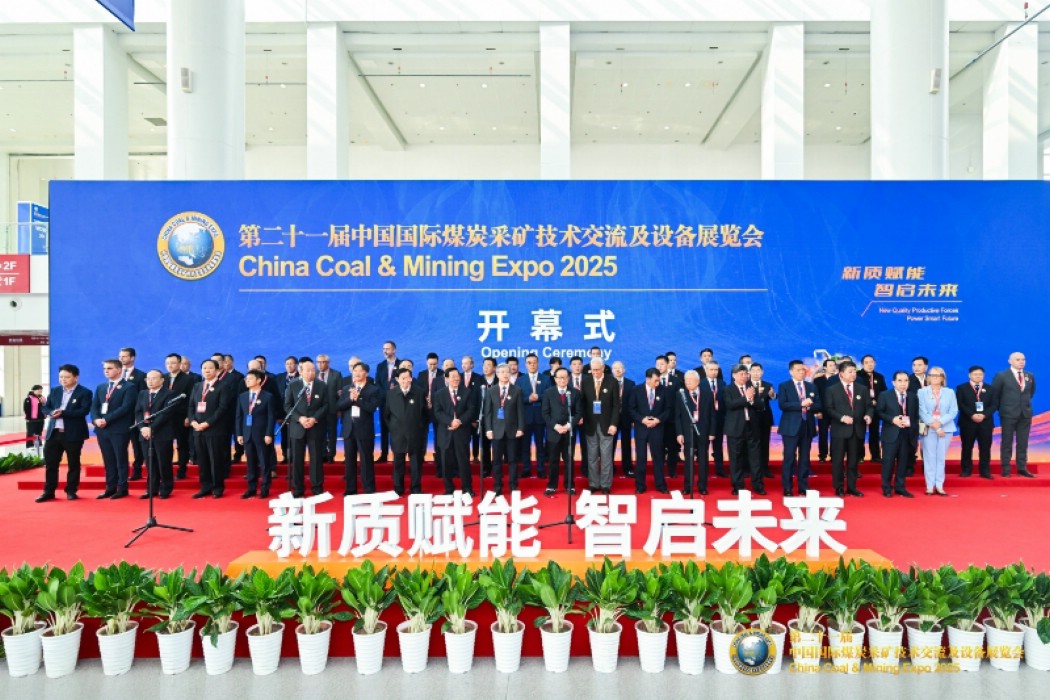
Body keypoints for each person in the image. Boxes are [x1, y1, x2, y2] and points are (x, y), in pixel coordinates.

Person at [36, 364, 93, 502]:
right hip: (54, 433)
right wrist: (51, 412)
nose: (63, 379)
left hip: (73, 434)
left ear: (76, 377)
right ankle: (49, 491)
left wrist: (63, 413)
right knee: (51, 464)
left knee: (73, 463)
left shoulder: (85, 392)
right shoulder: (55, 391)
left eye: (67, 377)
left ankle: (71, 490)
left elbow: (83, 411)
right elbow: (45, 407)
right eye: (61, 377)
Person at [91, 358, 139, 499]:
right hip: (102, 429)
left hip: (119, 429)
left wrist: (106, 419)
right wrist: (96, 419)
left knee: (120, 459)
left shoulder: (129, 387)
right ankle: (110, 487)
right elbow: (94, 406)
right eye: (105, 368)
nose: (106, 371)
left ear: (119, 370)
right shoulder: (101, 387)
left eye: (110, 368)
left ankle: (122, 488)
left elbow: (125, 408)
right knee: (108, 459)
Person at [824, 360, 872, 498]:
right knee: (838, 461)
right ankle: (839, 487)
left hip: (856, 430)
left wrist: (868, 415)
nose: (853, 374)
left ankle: (852, 487)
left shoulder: (862, 389)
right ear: (841, 373)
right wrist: (841, 418)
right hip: (840, 430)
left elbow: (869, 406)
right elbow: (828, 409)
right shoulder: (832, 389)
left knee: (853, 462)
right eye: (850, 372)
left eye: (854, 371)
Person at [188, 359, 234, 499]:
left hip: (214, 429)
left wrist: (208, 423)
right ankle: (205, 487)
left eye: (210, 368)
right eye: (204, 368)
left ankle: (217, 488)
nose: (207, 370)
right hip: (198, 429)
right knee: (202, 461)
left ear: (217, 370)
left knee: (215, 460)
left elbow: (223, 408)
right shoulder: (197, 386)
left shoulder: (223, 386)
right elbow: (191, 406)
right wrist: (192, 421)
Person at [777, 360, 822, 497]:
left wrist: (810, 405)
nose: (801, 372)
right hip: (790, 427)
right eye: (798, 370)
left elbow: (819, 405)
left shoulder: (811, 386)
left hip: (807, 426)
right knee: (789, 458)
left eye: (803, 369)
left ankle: (803, 486)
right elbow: (783, 405)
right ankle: (787, 487)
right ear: (791, 372)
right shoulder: (784, 386)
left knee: (805, 458)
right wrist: (801, 404)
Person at [284, 359, 328, 497]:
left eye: (313, 370)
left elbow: (326, 405)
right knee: (297, 460)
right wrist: (300, 418)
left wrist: (314, 418)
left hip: (315, 427)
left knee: (316, 459)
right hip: (298, 427)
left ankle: (317, 487)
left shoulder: (321, 385)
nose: (311, 373)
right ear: (301, 371)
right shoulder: (293, 385)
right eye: (308, 370)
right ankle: (298, 489)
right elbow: (288, 406)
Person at [337, 362, 381, 495]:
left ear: (366, 373)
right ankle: (350, 489)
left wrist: (357, 399)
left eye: (359, 371)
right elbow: (339, 406)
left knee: (366, 460)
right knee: (349, 461)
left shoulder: (373, 389)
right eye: (354, 371)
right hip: (349, 429)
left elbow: (371, 408)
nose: (356, 373)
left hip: (364, 430)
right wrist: (350, 399)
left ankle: (369, 489)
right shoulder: (346, 388)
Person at [134, 369, 179, 499]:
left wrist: (151, 428)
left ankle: (166, 488)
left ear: (162, 380)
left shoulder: (169, 394)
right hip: (145, 434)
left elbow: (165, 414)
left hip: (162, 434)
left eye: (153, 378)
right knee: (150, 463)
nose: (150, 381)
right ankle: (151, 489)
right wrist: (142, 428)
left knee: (163, 462)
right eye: (148, 378)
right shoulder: (143, 393)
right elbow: (138, 412)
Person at [433, 367, 476, 496]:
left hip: (461, 432)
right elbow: (437, 412)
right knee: (446, 463)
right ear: (446, 379)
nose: (456, 378)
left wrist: (459, 421)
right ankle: (449, 488)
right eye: (453, 376)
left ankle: (467, 488)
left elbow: (471, 410)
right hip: (445, 433)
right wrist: (450, 422)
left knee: (464, 462)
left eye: (458, 376)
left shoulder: (467, 392)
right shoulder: (439, 394)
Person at [484, 363, 525, 496]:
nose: (505, 374)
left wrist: (520, 428)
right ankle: (497, 486)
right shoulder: (491, 391)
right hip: (496, 431)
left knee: (512, 460)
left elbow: (520, 411)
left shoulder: (517, 390)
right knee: (496, 461)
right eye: (502, 372)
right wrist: (488, 429)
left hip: (512, 430)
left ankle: (513, 485)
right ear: (497, 374)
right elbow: (488, 412)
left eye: (507, 372)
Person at [993, 352, 1036, 478]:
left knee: (1023, 442)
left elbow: (1030, 393)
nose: (1021, 362)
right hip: (1008, 414)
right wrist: (1003, 409)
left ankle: (1022, 468)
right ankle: (1006, 468)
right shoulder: (1001, 375)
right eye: (1018, 359)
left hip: (1025, 414)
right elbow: (995, 395)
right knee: (1007, 441)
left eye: (1023, 359)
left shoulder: (1030, 375)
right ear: (1010, 361)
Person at [236, 369, 277, 498]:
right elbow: (239, 416)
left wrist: (269, 433)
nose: (247, 381)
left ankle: (265, 488)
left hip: (262, 434)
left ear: (259, 380)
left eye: (250, 378)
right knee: (250, 463)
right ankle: (251, 488)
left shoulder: (268, 396)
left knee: (264, 462)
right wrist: (239, 434)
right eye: (246, 379)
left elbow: (271, 417)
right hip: (247, 433)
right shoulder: (242, 396)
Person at [384, 367, 426, 496]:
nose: (405, 381)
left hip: (415, 434)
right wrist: (393, 428)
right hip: (398, 435)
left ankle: (416, 488)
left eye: (407, 378)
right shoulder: (391, 394)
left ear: (411, 378)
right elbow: (386, 415)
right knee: (398, 463)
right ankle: (398, 488)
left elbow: (425, 414)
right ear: (397, 379)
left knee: (416, 463)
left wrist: (419, 428)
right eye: (402, 378)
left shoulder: (419, 392)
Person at [723, 364, 764, 495]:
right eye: (741, 374)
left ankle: (758, 485)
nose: (744, 376)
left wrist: (752, 400)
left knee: (755, 458)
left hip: (752, 427)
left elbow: (761, 406)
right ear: (734, 375)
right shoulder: (727, 389)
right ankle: (738, 486)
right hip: (735, 428)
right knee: (736, 458)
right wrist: (746, 398)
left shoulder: (751, 388)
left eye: (746, 374)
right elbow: (730, 405)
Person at [581, 358, 620, 494]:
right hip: (590, 424)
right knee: (591, 456)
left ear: (603, 368)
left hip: (607, 424)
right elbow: (582, 402)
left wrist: (614, 424)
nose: (595, 372)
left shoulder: (612, 382)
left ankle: (605, 485)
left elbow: (616, 405)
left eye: (597, 369)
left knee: (606, 456)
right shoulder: (585, 381)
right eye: (593, 370)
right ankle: (593, 483)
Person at [629, 368, 670, 494]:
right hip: (641, 428)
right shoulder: (636, 390)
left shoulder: (664, 390)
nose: (658, 383)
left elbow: (668, 409)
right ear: (647, 379)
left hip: (657, 428)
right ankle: (640, 485)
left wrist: (658, 420)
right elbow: (631, 409)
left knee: (658, 457)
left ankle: (661, 485)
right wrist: (642, 419)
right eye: (655, 380)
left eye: (659, 380)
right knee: (641, 458)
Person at [917, 367, 958, 496]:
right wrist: (935, 425)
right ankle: (930, 486)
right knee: (929, 457)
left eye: (938, 375)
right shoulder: (922, 392)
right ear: (928, 377)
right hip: (929, 428)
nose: (935, 377)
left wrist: (940, 423)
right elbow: (922, 411)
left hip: (946, 428)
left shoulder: (950, 392)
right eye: (932, 375)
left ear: (942, 378)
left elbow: (953, 411)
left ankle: (939, 485)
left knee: (941, 458)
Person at [541, 367, 581, 496]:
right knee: (553, 460)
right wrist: (556, 426)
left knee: (569, 460)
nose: (562, 380)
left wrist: (569, 425)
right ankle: (551, 486)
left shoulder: (575, 393)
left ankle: (570, 486)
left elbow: (579, 413)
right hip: (554, 432)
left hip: (569, 432)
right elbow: (545, 413)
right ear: (555, 379)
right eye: (560, 378)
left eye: (565, 377)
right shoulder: (548, 393)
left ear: (568, 378)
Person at [877, 371, 917, 498]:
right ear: (893, 382)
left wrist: (913, 428)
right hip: (891, 434)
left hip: (907, 434)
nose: (903, 383)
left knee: (903, 463)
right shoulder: (885, 395)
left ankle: (900, 487)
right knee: (888, 462)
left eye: (906, 381)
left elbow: (915, 416)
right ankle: (886, 487)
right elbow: (879, 412)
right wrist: (892, 419)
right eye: (900, 380)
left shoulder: (913, 396)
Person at [956, 365, 997, 479]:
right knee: (966, 447)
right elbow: (960, 404)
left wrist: (984, 415)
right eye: (975, 374)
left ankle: (985, 471)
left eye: (980, 374)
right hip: (967, 422)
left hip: (985, 423)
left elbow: (994, 405)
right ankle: (966, 470)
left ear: (983, 375)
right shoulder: (961, 388)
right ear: (969, 375)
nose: (978, 376)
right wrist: (972, 415)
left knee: (985, 448)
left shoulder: (991, 389)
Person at [676, 370, 711, 495]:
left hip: (703, 431)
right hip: (687, 432)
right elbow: (677, 416)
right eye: (686, 380)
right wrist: (679, 433)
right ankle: (688, 486)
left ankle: (702, 486)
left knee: (703, 460)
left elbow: (712, 414)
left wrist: (712, 432)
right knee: (688, 460)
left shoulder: (707, 394)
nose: (688, 382)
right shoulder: (681, 394)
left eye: (690, 380)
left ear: (698, 381)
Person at [516, 353, 550, 479]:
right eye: (529, 362)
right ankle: (526, 468)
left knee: (540, 444)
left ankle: (541, 469)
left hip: (541, 417)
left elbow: (550, 395)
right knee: (525, 445)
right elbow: (517, 398)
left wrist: (539, 397)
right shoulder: (520, 380)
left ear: (538, 363)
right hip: (526, 417)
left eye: (534, 362)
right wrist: (528, 399)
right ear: (525, 365)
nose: (532, 365)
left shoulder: (546, 379)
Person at [118, 347, 148, 480]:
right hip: (118, 417)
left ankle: (137, 470)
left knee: (137, 445)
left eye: (124, 356)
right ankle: (120, 471)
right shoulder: (116, 374)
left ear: (132, 358)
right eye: (120, 356)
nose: (121, 358)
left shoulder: (141, 376)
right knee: (119, 445)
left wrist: (139, 416)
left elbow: (143, 398)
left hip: (134, 417)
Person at [164, 353, 195, 479]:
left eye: (173, 363)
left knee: (182, 444)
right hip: (165, 417)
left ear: (179, 364)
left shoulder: (188, 379)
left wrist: (188, 416)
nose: (170, 365)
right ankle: (166, 471)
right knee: (166, 444)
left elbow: (191, 399)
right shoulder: (163, 378)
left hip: (181, 416)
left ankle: (182, 470)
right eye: (168, 363)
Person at [417, 352, 445, 476]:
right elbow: (419, 391)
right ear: (426, 363)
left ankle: (438, 458)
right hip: (424, 409)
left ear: (438, 363)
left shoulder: (442, 374)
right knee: (422, 434)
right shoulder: (421, 374)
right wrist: (425, 401)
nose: (432, 367)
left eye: (434, 364)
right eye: (430, 364)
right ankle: (421, 457)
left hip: (437, 409)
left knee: (438, 435)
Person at [857, 355, 887, 462]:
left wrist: (878, 402)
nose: (869, 364)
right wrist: (869, 401)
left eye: (871, 362)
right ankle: (859, 456)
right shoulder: (857, 376)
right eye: (866, 362)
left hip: (875, 409)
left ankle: (875, 456)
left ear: (875, 363)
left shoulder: (879, 377)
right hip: (861, 409)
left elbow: (884, 393)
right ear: (862, 364)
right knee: (860, 433)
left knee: (874, 433)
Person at [749, 363, 776, 479]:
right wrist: (757, 393)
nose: (756, 373)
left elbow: (774, 397)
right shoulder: (746, 385)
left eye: (758, 370)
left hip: (765, 419)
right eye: (753, 370)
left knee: (765, 444)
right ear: (749, 372)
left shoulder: (767, 385)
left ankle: (765, 468)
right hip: (750, 419)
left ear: (762, 372)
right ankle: (750, 469)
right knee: (751, 444)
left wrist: (773, 395)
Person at [375, 340, 400, 463]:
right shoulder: (380, 366)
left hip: (398, 403)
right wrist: (386, 394)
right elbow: (378, 384)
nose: (385, 351)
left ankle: (397, 455)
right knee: (384, 429)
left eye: (388, 349)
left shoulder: (401, 364)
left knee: (397, 429)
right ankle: (383, 454)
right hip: (384, 402)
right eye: (384, 349)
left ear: (394, 350)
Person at [315, 354, 343, 462]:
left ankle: (331, 454)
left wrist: (339, 409)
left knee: (332, 433)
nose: (320, 364)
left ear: (328, 363)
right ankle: (322, 454)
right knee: (320, 432)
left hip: (332, 409)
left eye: (322, 362)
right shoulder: (314, 374)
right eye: (318, 362)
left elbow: (340, 394)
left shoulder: (336, 374)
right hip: (318, 410)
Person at [702, 361, 727, 477]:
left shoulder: (722, 383)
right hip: (705, 420)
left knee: (718, 446)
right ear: (706, 370)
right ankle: (704, 470)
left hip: (719, 419)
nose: (714, 372)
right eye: (711, 370)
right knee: (704, 446)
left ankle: (720, 469)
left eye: (716, 370)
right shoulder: (700, 383)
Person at [611, 361, 635, 478]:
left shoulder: (631, 384)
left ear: (624, 370)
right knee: (610, 445)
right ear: (612, 370)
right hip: (611, 420)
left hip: (626, 418)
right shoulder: (608, 383)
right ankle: (609, 468)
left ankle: (628, 467)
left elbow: (633, 403)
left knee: (626, 444)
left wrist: (633, 419)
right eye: (615, 368)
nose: (617, 370)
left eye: (620, 368)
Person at [275, 355, 300, 465]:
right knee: (284, 436)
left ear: (296, 365)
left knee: (296, 437)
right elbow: (276, 397)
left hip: (297, 412)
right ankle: (286, 456)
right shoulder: (279, 377)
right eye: (287, 364)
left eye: (291, 363)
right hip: (283, 413)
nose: (289, 366)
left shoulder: (301, 377)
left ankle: (296, 457)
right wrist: (278, 415)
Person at [813, 357, 839, 463]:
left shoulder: (839, 380)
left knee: (836, 435)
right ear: (824, 368)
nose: (833, 367)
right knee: (823, 434)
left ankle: (834, 455)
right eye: (830, 365)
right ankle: (822, 455)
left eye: (834, 365)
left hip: (836, 412)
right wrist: (817, 411)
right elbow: (815, 396)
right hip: (822, 412)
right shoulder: (818, 380)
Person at [23, 385, 45, 449]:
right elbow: (26, 409)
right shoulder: (28, 399)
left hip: (40, 418)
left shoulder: (42, 398)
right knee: (30, 432)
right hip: (31, 419)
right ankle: (29, 445)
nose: (40, 390)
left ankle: (39, 444)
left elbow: (45, 407)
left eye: (41, 389)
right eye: (38, 389)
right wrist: (28, 418)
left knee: (39, 432)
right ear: (34, 390)